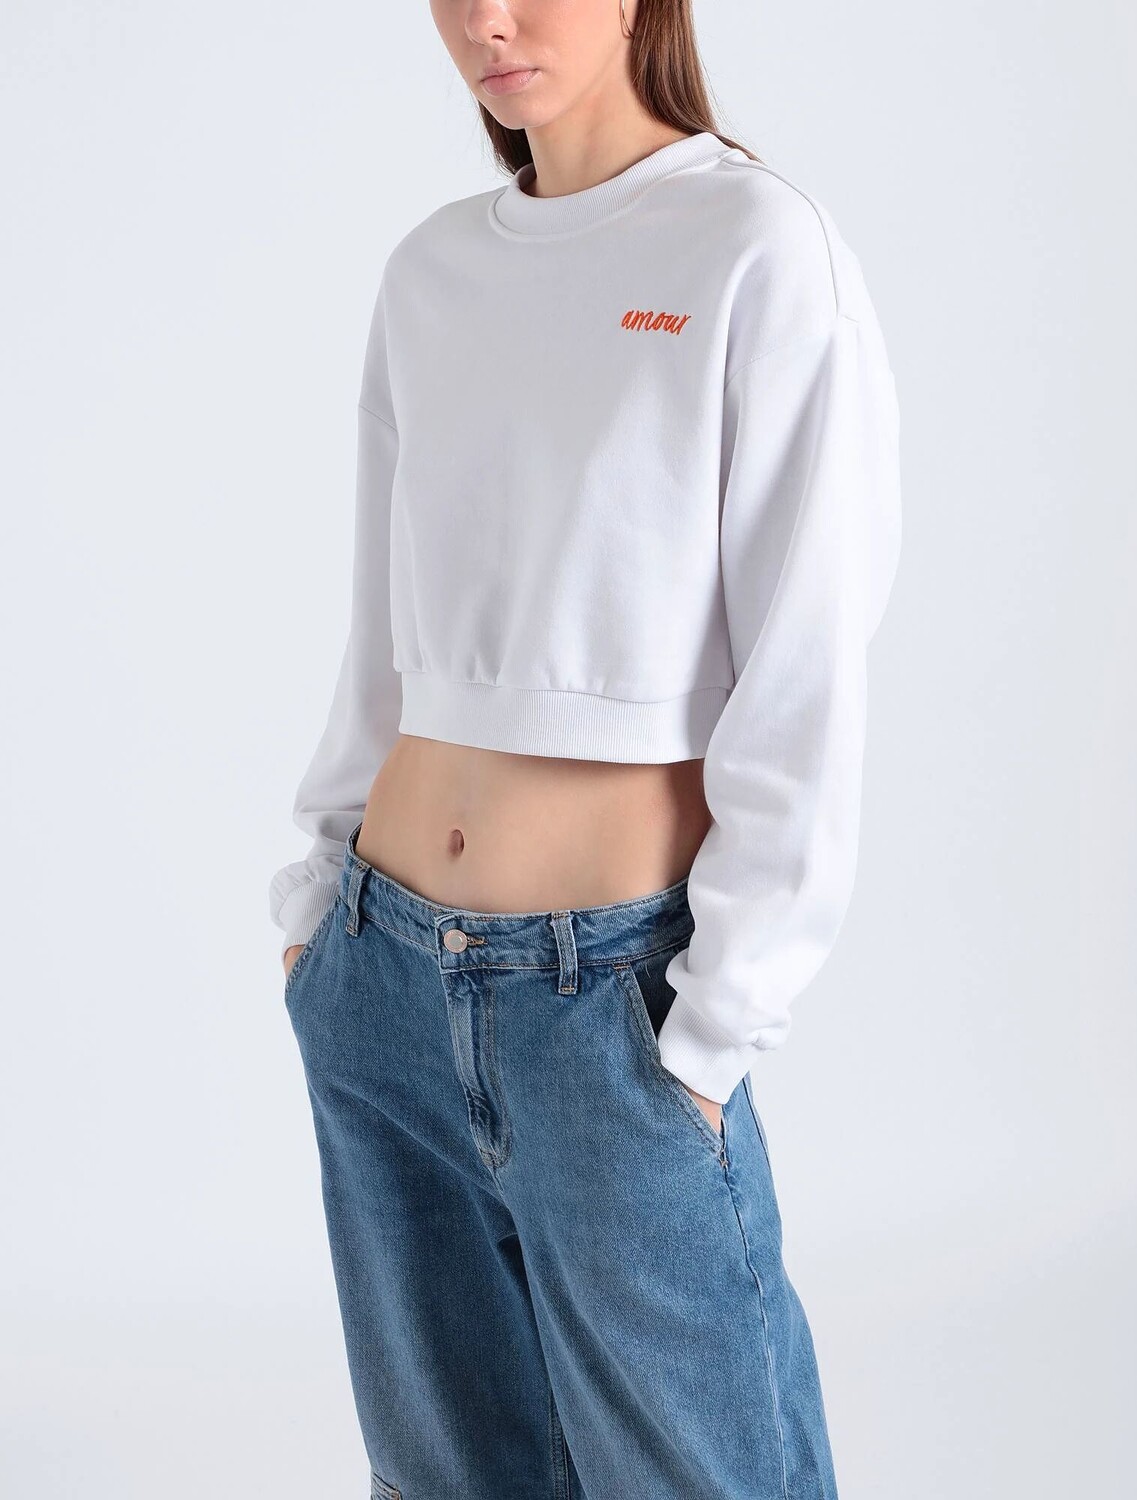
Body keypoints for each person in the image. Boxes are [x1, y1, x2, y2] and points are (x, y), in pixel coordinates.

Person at [268, 2, 901, 1495]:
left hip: (610, 1007)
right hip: (378, 985)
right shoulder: (432, 271)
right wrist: (316, 911)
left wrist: (714, 1028)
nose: (486, 21)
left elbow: (808, 666)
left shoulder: (754, 246)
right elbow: (387, 626)